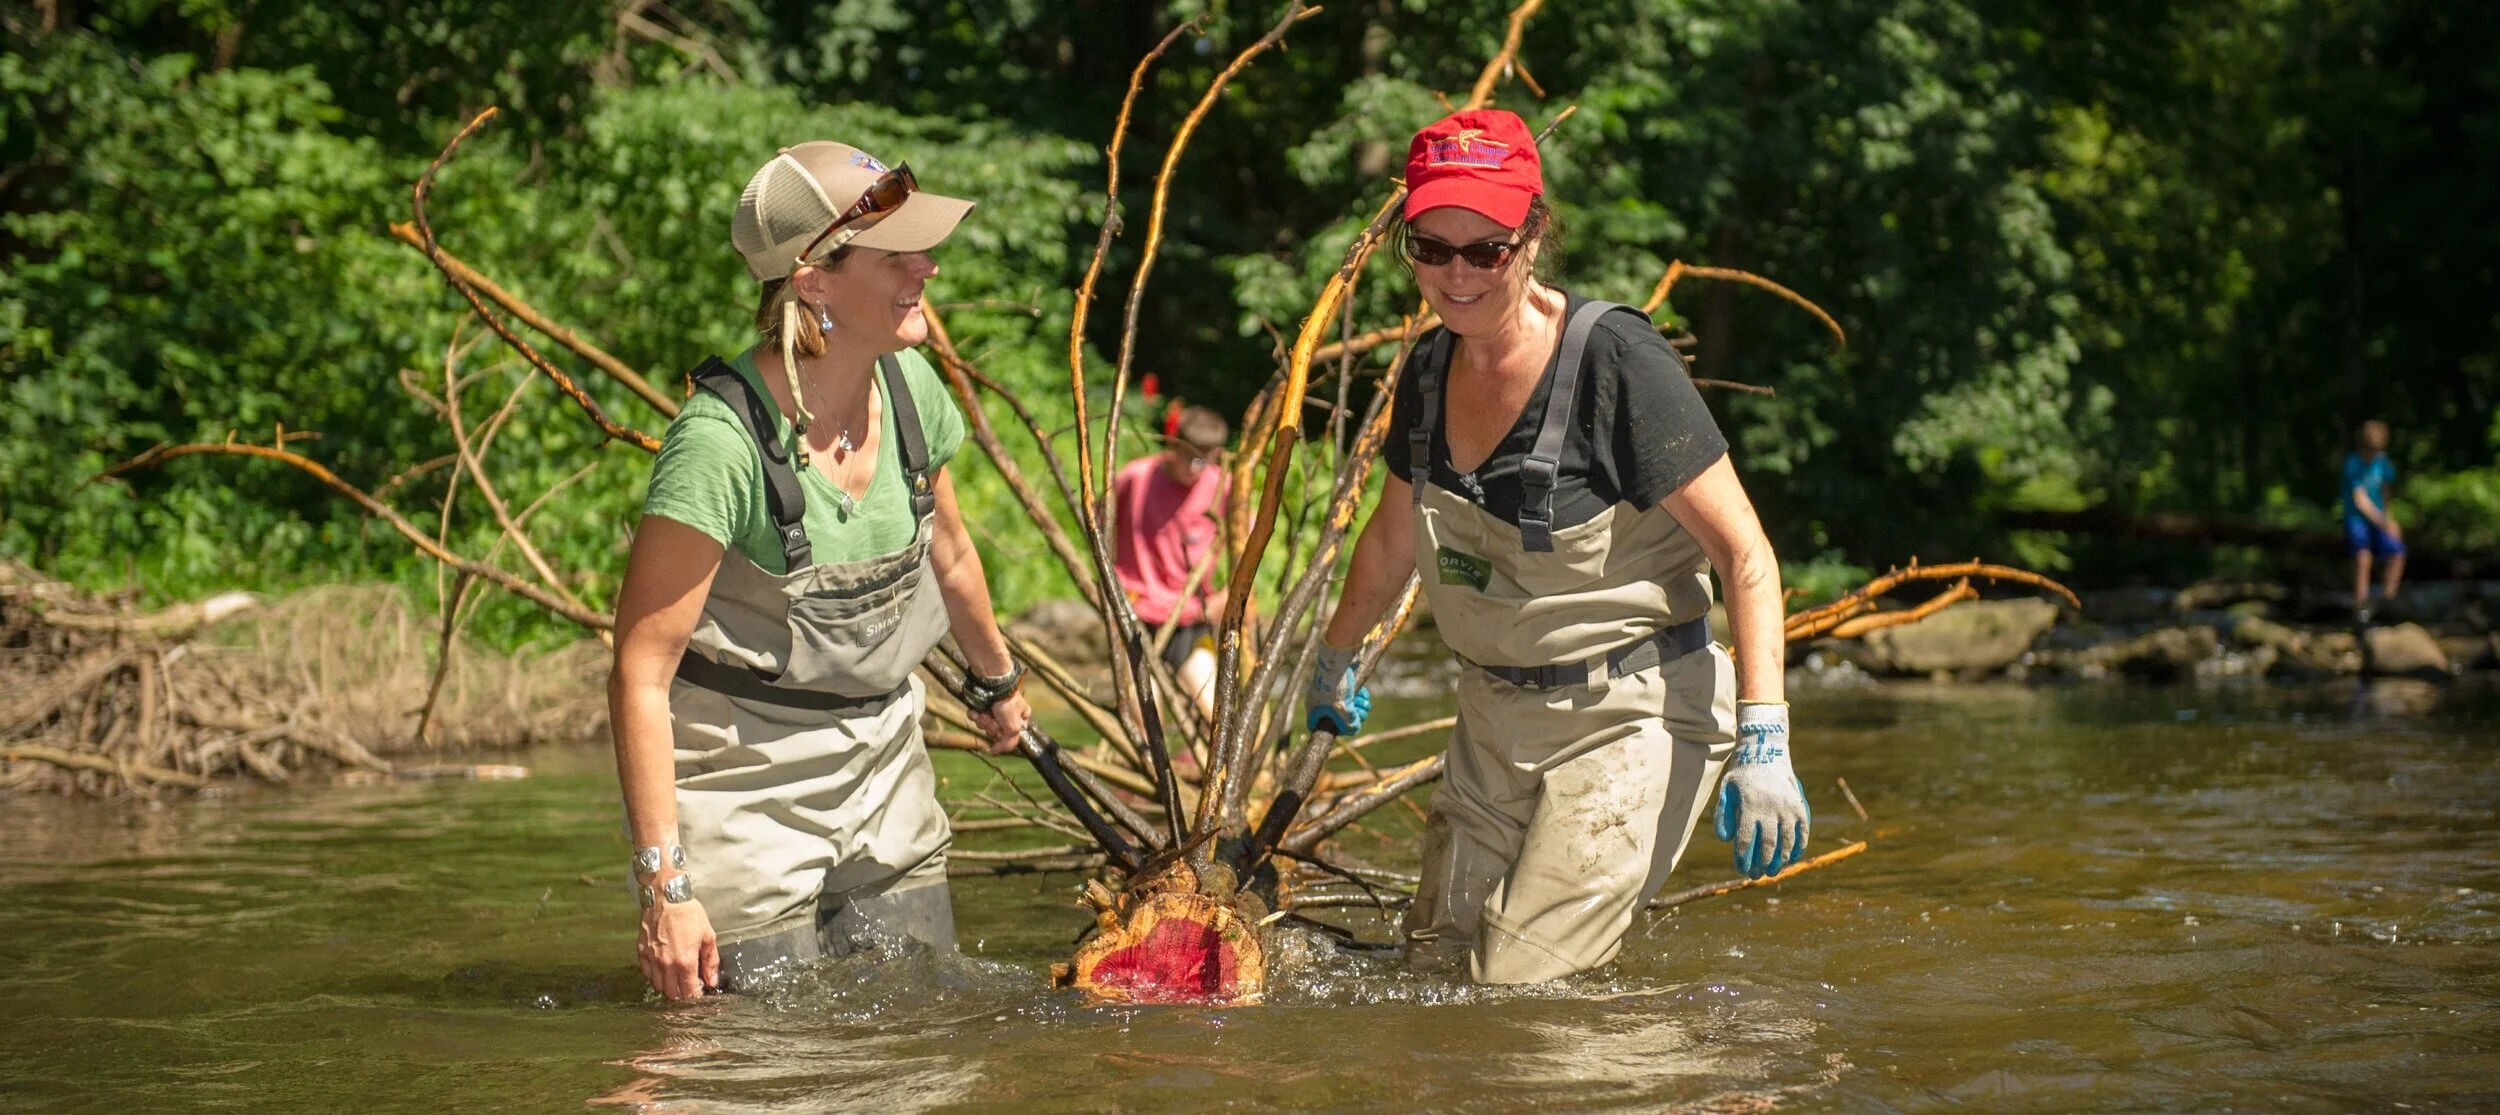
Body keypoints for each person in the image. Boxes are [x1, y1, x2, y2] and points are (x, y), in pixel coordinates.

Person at [1303, 110, 1810, 985]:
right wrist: (1335, 658)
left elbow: (1748, 556)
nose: (1455, 275)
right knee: (1429, 974)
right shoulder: (1427, 370)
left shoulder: (1616, 361)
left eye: (1484, 250)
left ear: (1532, 234)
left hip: (1634, 714)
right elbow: (1391, 536)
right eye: (1431, 248)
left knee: (1517, 993)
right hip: (1492, 718)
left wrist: (1765, 739)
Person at [607, 141, 1033, 1000]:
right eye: (897, 254)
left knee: (918, 1039)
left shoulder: (913, 387)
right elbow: (639, 672)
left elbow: (948, 551)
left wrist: (997, 681)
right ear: (814, 281)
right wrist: (666, 888)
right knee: (763, 1066)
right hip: (743, 791)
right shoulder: (717, 444)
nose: (929, 266)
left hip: (887, 771)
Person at [1111, 405, 1230, 720]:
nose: (1195, 470)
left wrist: (1228, 596)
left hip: (1189, 617)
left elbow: (1244, 541)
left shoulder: (1221, 487)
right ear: (1172, 444)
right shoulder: (1135, 478)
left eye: (1204, 460)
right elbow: (1100, 525)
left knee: (1213, 712)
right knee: (1147, 718)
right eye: (1189, 457)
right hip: (1135, 612)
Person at [2343, 419, 2405, 624]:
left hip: (2379, 520)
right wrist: (2383, 522)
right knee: (2363, 556)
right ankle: (2360, 604)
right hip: (2357, 519)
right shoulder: (2353, 463)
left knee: (2397, 552)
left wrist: (2389, 520)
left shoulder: (2383, 463)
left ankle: (2388, 600)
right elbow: (2360, 499)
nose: (2373, 455)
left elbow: (2386, 493)